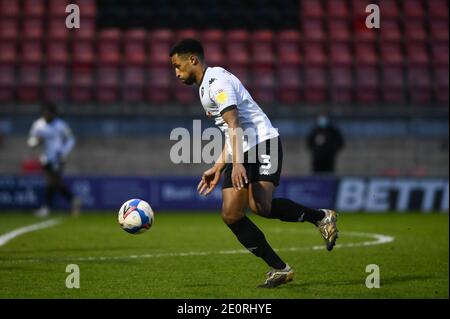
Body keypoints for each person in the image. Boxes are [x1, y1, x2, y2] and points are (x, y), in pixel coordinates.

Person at [169, 39, 338, 288]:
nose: (176, 72)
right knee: (231, 214)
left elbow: (235, 123)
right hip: (242, 148)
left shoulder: (217, 82)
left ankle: (321, 217)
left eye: (177, 66)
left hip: (263, 142)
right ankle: (280, 269)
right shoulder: (204, 88)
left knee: (260, 206)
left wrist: (236, 164)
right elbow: (229, 131)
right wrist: (218, 166)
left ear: (192, 59)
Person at [27, 102, 81, 217]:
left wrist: (63, 151)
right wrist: (36, 142)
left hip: (58, 158)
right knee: (55, 183)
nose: (47, 115)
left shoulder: (60, 125)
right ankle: (73, 200)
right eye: (45, 112)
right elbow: (31, 141)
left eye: (49, 112)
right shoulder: (38, 125)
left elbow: (71, 140)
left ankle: (46, 208)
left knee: (51, 181)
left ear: (53, 113)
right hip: (45, 158)